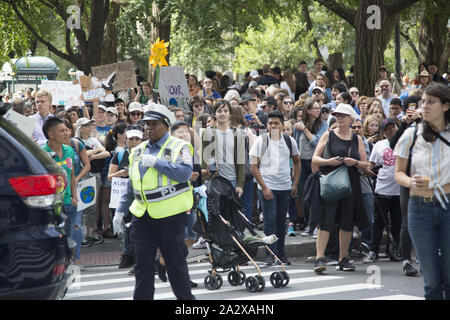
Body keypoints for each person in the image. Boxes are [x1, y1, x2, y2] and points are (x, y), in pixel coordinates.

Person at [116, 103, 195, 300]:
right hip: (141, 215)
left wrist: (157, 163)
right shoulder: (138, 150)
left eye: (153, 124)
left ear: (166, 126)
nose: (148, 128)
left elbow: (185, 173)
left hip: (170, 216)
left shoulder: (180, 146)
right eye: (146, 125)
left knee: (175, 264)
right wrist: (120, 210)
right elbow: (132, 185)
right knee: (142, 266)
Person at [394, 84, 450, 300]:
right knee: (432, 281)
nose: (424, 106)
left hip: (447, 206)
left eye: (431, 102)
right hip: (419, 208)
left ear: (445, 106)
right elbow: (398, 173)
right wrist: (410, 181)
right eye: (423, 102)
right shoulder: (411, 134)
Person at [311, 104, 369, 273]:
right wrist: (330, 162)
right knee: (325, 220)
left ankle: (343, 258)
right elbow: (315, 158)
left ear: (351, 118)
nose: (340, 118)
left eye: (343, 115)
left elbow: (365, 164)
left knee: (347, 222)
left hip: (351, 183)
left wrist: (355, 162)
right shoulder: (328, 135)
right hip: (331, 182)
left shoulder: (356, 138)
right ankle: (319, 257)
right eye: (337, 115)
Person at [250, 110, 300, 266]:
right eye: (270, 123)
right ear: (267, 125)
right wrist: (264, 187)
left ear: (282, 125)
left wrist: (296, 183)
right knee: (269, 221)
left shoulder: (289, 140)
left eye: (276, 123)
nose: (273, 126)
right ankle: (270, 254)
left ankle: (281, 253)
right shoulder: (261, 140)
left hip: (285, 186)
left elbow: (297, 162)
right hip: (267, 186)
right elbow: (253, 166)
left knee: (281, 221)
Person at [363, 118, 402, 264]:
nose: (391, 131)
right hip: (382, 188)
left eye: (393, 127)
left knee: (397, 222)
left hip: (399, 190)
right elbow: (371, 164)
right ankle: (374, 250)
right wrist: (369, 170)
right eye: (387, 129)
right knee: (379, 222)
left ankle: (394, 250)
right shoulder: (379, 145)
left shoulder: (404, 143)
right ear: (383, 132)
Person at [42, 118, 78, 267]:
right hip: (53, 206)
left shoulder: (69, 150)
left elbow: (72, 175)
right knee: (55, 241)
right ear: (51, 134)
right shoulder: (42, 153)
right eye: (62, 131)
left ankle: (67, 267)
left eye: (67, 130)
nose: (67, 133)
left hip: (69, 203)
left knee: (68, 239)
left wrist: (75, 197)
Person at [109, 125, 144, 269]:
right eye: (131, 139)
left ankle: (139, 258)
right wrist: (118, 174)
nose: (134, 142)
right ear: (126, 140)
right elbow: (110, 177)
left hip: (143, 198)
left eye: (137, 139)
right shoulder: (120, 154)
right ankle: (127, 254)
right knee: (127, 226)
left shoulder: (147, 155)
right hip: (125, 195)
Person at [294, 99, 328, 236]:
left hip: (315, 162)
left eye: (319, 108)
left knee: (316, 194)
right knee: (304, 194)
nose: (318, 111)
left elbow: (317, 142)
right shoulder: (299, 126)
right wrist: (294, 168)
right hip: (302, 163)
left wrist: (306, 130)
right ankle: (309, 223)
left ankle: (316, 225)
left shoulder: (323, 125)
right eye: (315, 108)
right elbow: (296, 146)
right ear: (308, 110)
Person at [75, 117, 110, 245]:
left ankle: (90, 233)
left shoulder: (93, 140)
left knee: (92, 205)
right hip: (82, 176)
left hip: (94, 175)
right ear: (80, 127)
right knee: (81, 205)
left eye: (90, 126)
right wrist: (94, 151)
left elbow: (106, 153)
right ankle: (81, 233)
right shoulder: (74, 141)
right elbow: (80, 154)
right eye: (86, 126)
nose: (90, 128)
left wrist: (92, 156)